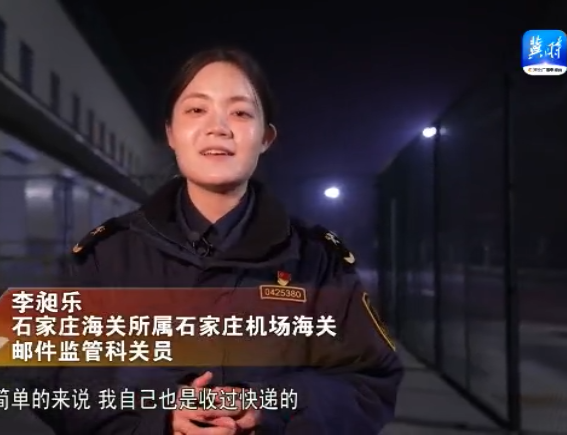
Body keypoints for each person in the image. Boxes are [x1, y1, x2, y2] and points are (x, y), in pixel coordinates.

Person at [24, 47, 403, 434]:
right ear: (171, 133)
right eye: (196, 109)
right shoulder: (107, 255)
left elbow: (369, 381)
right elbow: (49, 374)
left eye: (240, 113)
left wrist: (270, 407)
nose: (218, 127)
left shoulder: (317, 260)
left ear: (266, 137)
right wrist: (158, 414)